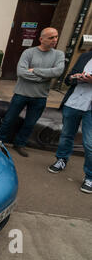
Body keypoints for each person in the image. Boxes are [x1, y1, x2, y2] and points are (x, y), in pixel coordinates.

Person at [0, 27, 65, 157]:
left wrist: (35, 71)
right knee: (9, 119)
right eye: (51, 37)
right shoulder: (28, 52)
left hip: (40, 96)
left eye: (56, 37)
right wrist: (45, 77)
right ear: (41, 39)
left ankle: (20, 144)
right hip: (21, 93)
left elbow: (58, 72)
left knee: (30, 123)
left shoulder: (58, 55)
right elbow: (21, 72)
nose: (54, 40)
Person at [47, 50, 92, 194]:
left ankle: (90, 176)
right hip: (73, 103)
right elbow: (67, 79)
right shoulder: (85, 56)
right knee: (66, 135)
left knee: (89, 143)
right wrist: (75, 77)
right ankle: (61, 159)